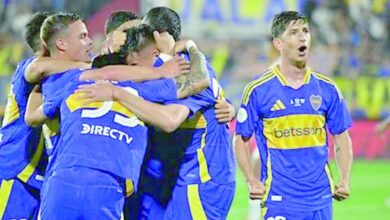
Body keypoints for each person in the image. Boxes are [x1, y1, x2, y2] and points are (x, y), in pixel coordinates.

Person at [25, 24, 209, 219]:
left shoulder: (73, 83)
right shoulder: (144, 91)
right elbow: (200, 79)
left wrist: (37, 87)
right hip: (109, 183)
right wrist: (191, 47)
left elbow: (32, 117)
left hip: (63, 178)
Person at [235, 11, 353, 219]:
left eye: (306, 31)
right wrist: (251, 180)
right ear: (278, 44)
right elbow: (241, 138)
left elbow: (341, 136)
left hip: (321, 199)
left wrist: (344, 178)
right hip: (280, 199)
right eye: (294, 33)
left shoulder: (327, 88)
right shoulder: (258, 90)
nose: (302, 37)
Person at [130, 7, 236, 220]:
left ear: (157, 35)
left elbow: (171, 120)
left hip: (201, 179)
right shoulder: (173, 64)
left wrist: (120, 93)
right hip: (181, 177)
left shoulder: (187, 67)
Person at [0, 12, 53, 220]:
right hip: (15, 173)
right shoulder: (29, 67)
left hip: (42, 179)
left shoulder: (59, 75)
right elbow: (38, 68)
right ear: (45, 40)